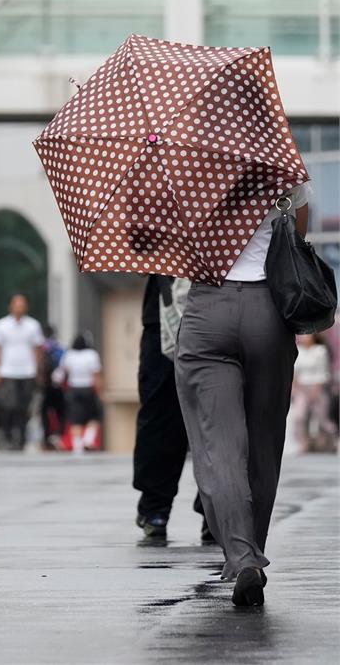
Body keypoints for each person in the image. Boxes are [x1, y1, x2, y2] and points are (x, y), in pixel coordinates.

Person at [176, 182, 311, 607]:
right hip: (268, 311)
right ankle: (253, 544)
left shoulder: (183, 167)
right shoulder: (280, 163)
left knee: (220, 446)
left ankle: (242, 555)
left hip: (207, 309)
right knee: (264, 443)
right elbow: (298, 236)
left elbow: (164, 244)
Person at [131, 276, 210, 541]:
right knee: (160, 415)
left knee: (217, 414)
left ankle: (216, 507)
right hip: (163, 314)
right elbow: (136, 254)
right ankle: (155, 507)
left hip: (215, 308)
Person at [0, 294, 44, 450]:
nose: (19, 307)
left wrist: (39, 372)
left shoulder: (33, 326)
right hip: (7, 371)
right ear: (11, 306)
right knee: (8, 405)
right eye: (16, 304)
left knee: (24, 407)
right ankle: (6, 433)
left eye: (22, 304)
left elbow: (38, 350)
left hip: (27, 372)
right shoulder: (1, 325)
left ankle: (20, 436)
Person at [54, 332, 102, 453]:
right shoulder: (92, 355)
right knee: (93, 417)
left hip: (73, 389)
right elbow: (96, 375)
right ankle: (88, 439)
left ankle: (77, 446)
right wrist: (99, 391)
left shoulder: (69, 355)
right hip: (88, 388)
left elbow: (62, 373)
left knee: (76, 419)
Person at [290, 334, 337, 453]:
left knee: (322, 419)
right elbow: (294, 370)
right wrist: (296, 386)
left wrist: (316, 390)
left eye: (307, 336)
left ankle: (329, 441)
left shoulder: (320, 351)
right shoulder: (299, 350)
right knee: (299, 416)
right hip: (301, 388)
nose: (304, 338)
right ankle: (304, 442)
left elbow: (323, 372)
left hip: (317, 386)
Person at [39, 323, 66, 449]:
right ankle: (60, 435)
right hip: (57, 385)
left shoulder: (41, 348)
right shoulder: (59, 347)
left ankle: (46, 437)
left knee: (44, 412)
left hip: (44, 386)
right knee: (60, 411)